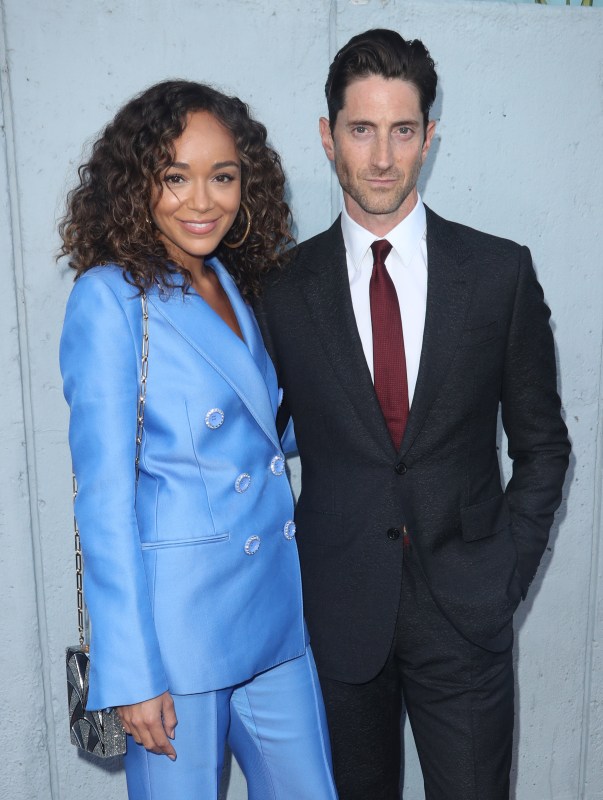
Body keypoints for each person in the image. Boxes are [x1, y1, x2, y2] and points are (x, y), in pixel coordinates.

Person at [255, 29, 571, 800]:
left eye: (402, 131)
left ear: (429, 137)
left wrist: (504, 576)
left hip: (466, 615)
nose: (382, 158)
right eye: (361, 130)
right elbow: (249, 443)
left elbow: (542, 447)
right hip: (335, 618)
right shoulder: (280, 289)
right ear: (328, 137)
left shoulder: (497, 274)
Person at [59, 80, 337, 800]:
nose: (202, 200)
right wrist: (131, 669)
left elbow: (262, 431)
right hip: (176, 641)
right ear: (135, 185)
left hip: (273, 618)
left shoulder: (232, 279)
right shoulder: (110, 297)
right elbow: (105, 499)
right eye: (174, 178)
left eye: (222, 176)